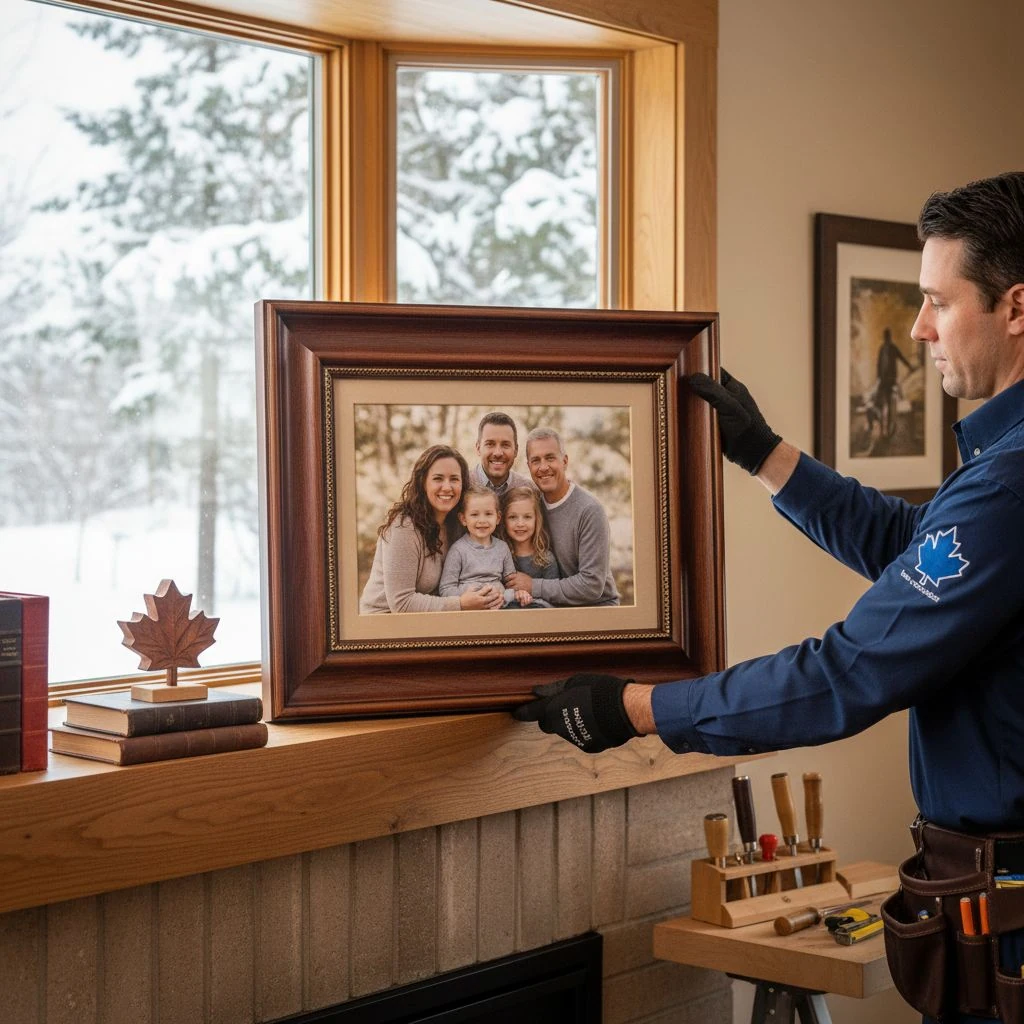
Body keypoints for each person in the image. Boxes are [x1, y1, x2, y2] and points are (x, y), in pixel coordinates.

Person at [512, 171, 1024, 1024]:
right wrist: (767, 454)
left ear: (1016, 307)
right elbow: (918, 555)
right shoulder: (1002, 477)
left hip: (1004, 917)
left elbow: (847, 674)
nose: (922, 326)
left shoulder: (1009, 486)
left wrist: (637, 708)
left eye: (939, 300)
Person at [359, 445, 504, 613]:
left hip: (430, 621)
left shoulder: (456, 524)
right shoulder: (404, 527)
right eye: (438, 478)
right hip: (385, 622)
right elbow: (401, 603)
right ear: (423, 483)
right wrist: (461, 604)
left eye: (454, 479)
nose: (447, 487)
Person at [505, 426, 619, 606]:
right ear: (529, 466)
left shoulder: (589, 510)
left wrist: (532, 586)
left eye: (550, 458)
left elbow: (592, 585)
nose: (543, 467)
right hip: (552, 608)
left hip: (596, 609)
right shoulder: (531, 507)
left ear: (564, 461)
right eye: (536, 460)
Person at [439, 487, 532, 607]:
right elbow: (445, 589)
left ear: (498, 518)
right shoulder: (458, 550)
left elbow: (511, 583)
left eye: (488, 514)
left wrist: (518, 593)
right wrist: (473, 594)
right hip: (469, 610)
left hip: (501, 608)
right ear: (463, 519)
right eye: (474, 514)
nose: (482, 520)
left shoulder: (502, 548)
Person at [501, 485, 560, 584]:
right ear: (503, 520)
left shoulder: (546, 559)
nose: (520, 524)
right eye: (512, 517)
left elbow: (553, 594)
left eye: (527, 517)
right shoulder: (499, 555)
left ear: (536, 520)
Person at [470, 411, 534, 497]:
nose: (498, 453)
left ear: (516, 450)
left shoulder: (529, 489)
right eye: (490, 444)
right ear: (478, 448)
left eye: (505, 445)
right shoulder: (463, 485)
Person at [875, 325, 916, 437]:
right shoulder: (882, 349)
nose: (886, 338)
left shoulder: (893, 348)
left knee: (889, 403)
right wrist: (878, 378)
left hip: (890, 381)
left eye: (887, 336)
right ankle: (882, 428)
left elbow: (902, 358)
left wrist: (910, 367)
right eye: (885, 336)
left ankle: (888, 430)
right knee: (879, 403)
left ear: (889, 337)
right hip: (882, 381)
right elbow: (878, 364)